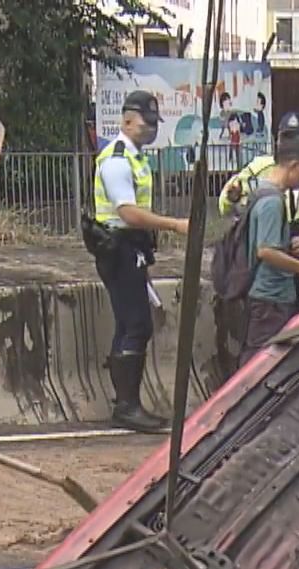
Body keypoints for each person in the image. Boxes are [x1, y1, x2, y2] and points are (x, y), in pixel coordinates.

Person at [89, 90, 190, 433]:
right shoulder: (117, 159)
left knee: (129, 324)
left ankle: (126, 404)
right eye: (146, 124)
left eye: (153, 125)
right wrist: (175, 225)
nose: (151, 130)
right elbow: (129, 213)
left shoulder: (136, 156)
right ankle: (128, 406)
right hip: (118, 248)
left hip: (130, 249)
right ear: (128, 119)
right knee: (137, 325)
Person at [240, 136, 299, 362]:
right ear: (294, 165)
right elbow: (265, 251)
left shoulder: (262, 192)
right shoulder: (272, 202)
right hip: (270, 300)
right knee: (258, 364)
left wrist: (288, 245)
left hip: (274, 298)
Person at [219, 112, 299, 260]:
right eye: (286, 138)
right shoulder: (258, 168)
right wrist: (232, 198)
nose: (290, 144)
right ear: (277, 140)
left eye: (298, 139)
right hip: (264, 249)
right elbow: (225, 207)